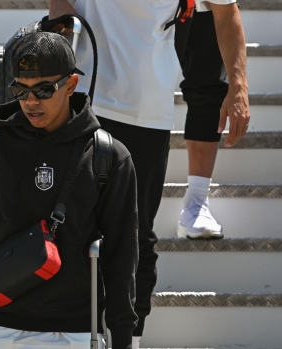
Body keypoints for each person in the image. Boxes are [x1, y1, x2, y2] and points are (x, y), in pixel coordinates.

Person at [49, 0, 249, 347]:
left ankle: (129, 339)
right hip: (83, 98)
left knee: (135, 235)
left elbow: (225, 11)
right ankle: (73, 335)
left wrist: (238, 85)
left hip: (146, 110)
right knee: (69, 227)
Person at [0, 31, 139, 349]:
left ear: (70, 85)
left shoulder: (108, 156)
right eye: (20, 89)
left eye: (44, 89)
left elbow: (122, 256)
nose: (30, 101)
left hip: (75, 334)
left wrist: (122, 338)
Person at [174, 2, 250, 239]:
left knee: (207, 88)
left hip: (197, 10)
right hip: (133, 14)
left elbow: (226, 12)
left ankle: (196, 199)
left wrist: (238, 87)